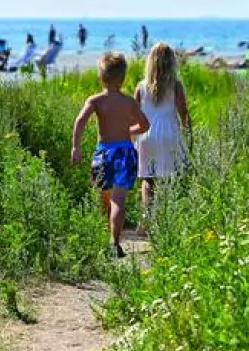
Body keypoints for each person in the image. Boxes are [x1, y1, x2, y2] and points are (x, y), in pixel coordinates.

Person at [70, 53, 150, 259]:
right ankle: (114, 243)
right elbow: (145, 125)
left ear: (100, 77)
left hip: (104, 153)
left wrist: (76, 147)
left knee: (104, 198)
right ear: (122, 79)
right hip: (124, 153)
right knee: (118, 200)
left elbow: (79, 121)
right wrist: (128, 130)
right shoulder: (128, 102)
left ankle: (103, 239)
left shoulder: (96, 100)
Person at [133, 44, 191, 237]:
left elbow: (134, 115)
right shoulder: (176, 85)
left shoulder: (141, 87)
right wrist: (189, 135)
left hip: (146, 136)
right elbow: (183, 114)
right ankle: (164, 222)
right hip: (169, 135)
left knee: (148, 180)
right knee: (167, 179)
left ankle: (144, 222)